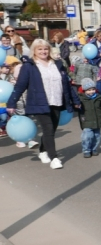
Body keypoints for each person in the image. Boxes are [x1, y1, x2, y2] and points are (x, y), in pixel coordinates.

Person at [8, 38, 81, 169]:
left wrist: (75, 100)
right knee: (48, 129)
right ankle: (54, 158)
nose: (43, 51)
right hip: (39, 102)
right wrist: (11, 103)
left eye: (45, 48)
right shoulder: (29, 66)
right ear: (34, 51)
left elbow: (67, 84)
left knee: (51, 130)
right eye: (40, 49)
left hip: (57, 101)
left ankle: (42, 151)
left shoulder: (57, 64)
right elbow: (20, 86)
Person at [79, 77, 101, 157]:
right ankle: (86, 150)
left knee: (97, 137)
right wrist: (76, 106)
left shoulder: (98, 97)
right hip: (86, 120)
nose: (91, 91)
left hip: (97, 120)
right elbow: (76, 106)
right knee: (87, 137)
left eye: (93, 89)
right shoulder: (81, 98)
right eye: (89, 90)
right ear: (84, 90)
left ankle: (94, 149)